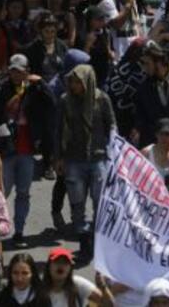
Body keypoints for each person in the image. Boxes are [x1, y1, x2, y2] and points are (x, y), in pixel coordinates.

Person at [0, 53, 55, 248]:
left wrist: (42, 84)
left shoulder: (34, 89)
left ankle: (19, 232)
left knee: (23, 192)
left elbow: (52, 104)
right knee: (1, 192)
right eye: (13, 70)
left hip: (27, 149)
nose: (16, 75)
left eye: (20, 71)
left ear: (27, 72)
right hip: (5, 151)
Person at [56, 64, 114, 260]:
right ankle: (84, 244)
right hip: (73, 159)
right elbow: (57, 131)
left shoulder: (102, 99)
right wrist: (58, 158)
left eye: (78, 82)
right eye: (71, 82)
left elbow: (112, 127)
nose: (74, 86)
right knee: (77, 203)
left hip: (98, 158)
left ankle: (99, 243)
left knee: (101, 203)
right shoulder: (65, 101)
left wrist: (114, 154)